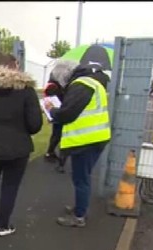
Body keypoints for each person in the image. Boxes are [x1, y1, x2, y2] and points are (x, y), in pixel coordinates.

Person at [0, 52, 43, 236]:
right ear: (13, 66)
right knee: (10, 185)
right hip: (17, 147)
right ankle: (2, 224)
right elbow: (35, 124)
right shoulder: (27, 91)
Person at [44, 60, 112, 228]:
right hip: (96, 137)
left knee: (81, 179)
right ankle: (79, 208)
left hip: (87, 140)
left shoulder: (80, 85)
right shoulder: (91, 82)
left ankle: (79, 216)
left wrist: (52, 110)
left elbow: (68, 113)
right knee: (83, 177)